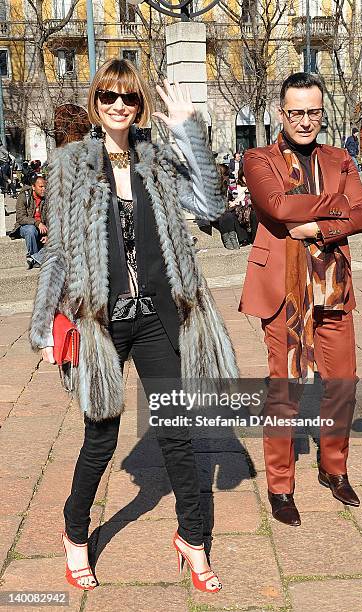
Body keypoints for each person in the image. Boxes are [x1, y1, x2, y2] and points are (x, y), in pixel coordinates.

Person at [29, 59, 238, 592]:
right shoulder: (71, 164)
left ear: (140, 106)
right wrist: (45, 327)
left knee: (177, 433)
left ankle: (192, 538)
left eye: (128, 98)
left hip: (155, 318)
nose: (118, 106)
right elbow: (56, 252)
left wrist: (190, 129)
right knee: (101, 437)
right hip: (100, 322)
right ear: (96, 103)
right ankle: (76, 533)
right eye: (108, 97)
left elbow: (212, 207)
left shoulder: (158, 160)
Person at [239, 72, 362, 526]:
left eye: (313, 112)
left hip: (333, 287)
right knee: (286, 390)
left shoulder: (340, 158)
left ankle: (333, 468)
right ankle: (281, 486)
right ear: (281, 113)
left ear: (322, 113)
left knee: (343, 385)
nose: (304, 121)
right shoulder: (257, 157)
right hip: (284, 290)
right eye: (295, 112)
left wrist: (321, 227)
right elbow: (275, 207)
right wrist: (336, 205)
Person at [9, 175, 48, 269]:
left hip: (42, 229)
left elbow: (51, 218)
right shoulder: (24, 196)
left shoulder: (47, 199)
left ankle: (33, 259)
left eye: (45, 187)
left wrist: (48, 234)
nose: (44, 189)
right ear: (34, 187)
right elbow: (21, 218)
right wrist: (37, 223)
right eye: (41, 187)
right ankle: (36, 258)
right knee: (31, 230)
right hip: (25, 227)